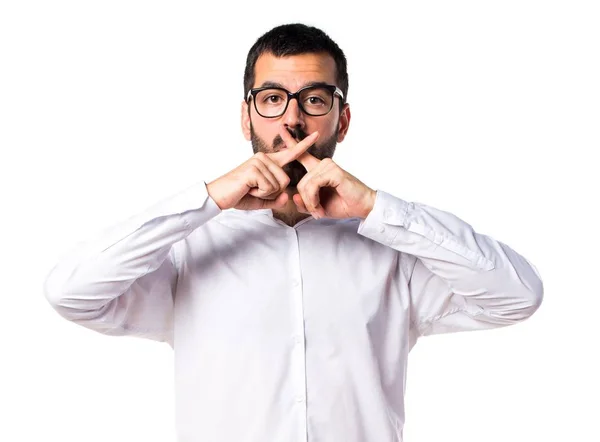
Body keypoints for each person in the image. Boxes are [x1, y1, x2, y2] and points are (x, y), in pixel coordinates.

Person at [43, 23, 544, 442]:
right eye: (273, 98)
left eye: (315, 100)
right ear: (246, 116)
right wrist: (210, 198)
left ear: (342, 120)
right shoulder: (189, 249)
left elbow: (517, 297)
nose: (293, 119)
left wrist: (377, 208)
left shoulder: (393, 249)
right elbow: (71, 293)